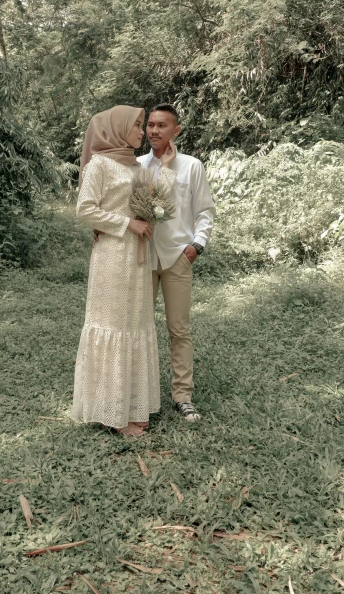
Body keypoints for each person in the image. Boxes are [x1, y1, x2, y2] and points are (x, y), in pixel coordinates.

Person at [72, 105, 177, 437]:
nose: (141, 131)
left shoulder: (133, 166)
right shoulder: (99, 165)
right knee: (114, 323)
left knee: (135, 322)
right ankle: (112, 415)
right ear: (116, 130)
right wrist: (126, 223)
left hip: (136, 257)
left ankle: (132, 406)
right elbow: (85, 208)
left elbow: (158, 201)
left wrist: (168, 167)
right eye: (135, 125)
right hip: (112, 258)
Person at [138, 104, 215, 422]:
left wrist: (197, 244)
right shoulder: (137, 165)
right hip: (141, 257)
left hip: (176, 256)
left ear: (176, 131)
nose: (154, 131)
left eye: (161, 125)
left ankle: (182, 395)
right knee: (138, 328)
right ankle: (139, 393)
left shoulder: (192, 166)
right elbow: (148, 211)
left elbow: (205, 211)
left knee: (178, 329)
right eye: (150, 125)